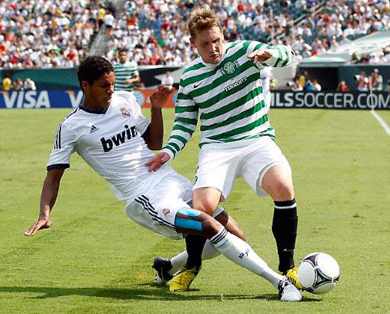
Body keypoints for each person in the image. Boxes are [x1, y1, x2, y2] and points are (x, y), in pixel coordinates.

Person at [23, 56, 301, 302]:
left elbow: (154, 142)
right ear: (86, 85)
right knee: (208, 225)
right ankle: (279, 282)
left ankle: (167, 267)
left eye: (112, 84)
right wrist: (44, 212)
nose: (111, 90)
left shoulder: (125, 100)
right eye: (104, 86)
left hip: (168, 180)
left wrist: (156, 108)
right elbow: (54, 175)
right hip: (144, 197)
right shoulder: (72, 126)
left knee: (235, 234)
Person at [147, 8, 302, 292]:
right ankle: (191, 265)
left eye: (217, 40)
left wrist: (272, 56)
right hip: (217, 147)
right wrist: (168, 151)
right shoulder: (190, 78)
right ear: (193, 44)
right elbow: (184, 124)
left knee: (283, 186)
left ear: (223, 35)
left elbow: (290, 54)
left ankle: (288, 267)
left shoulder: (245, 51)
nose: (213, 47)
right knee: (200, 207)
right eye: (205, 43)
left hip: (257, 139)